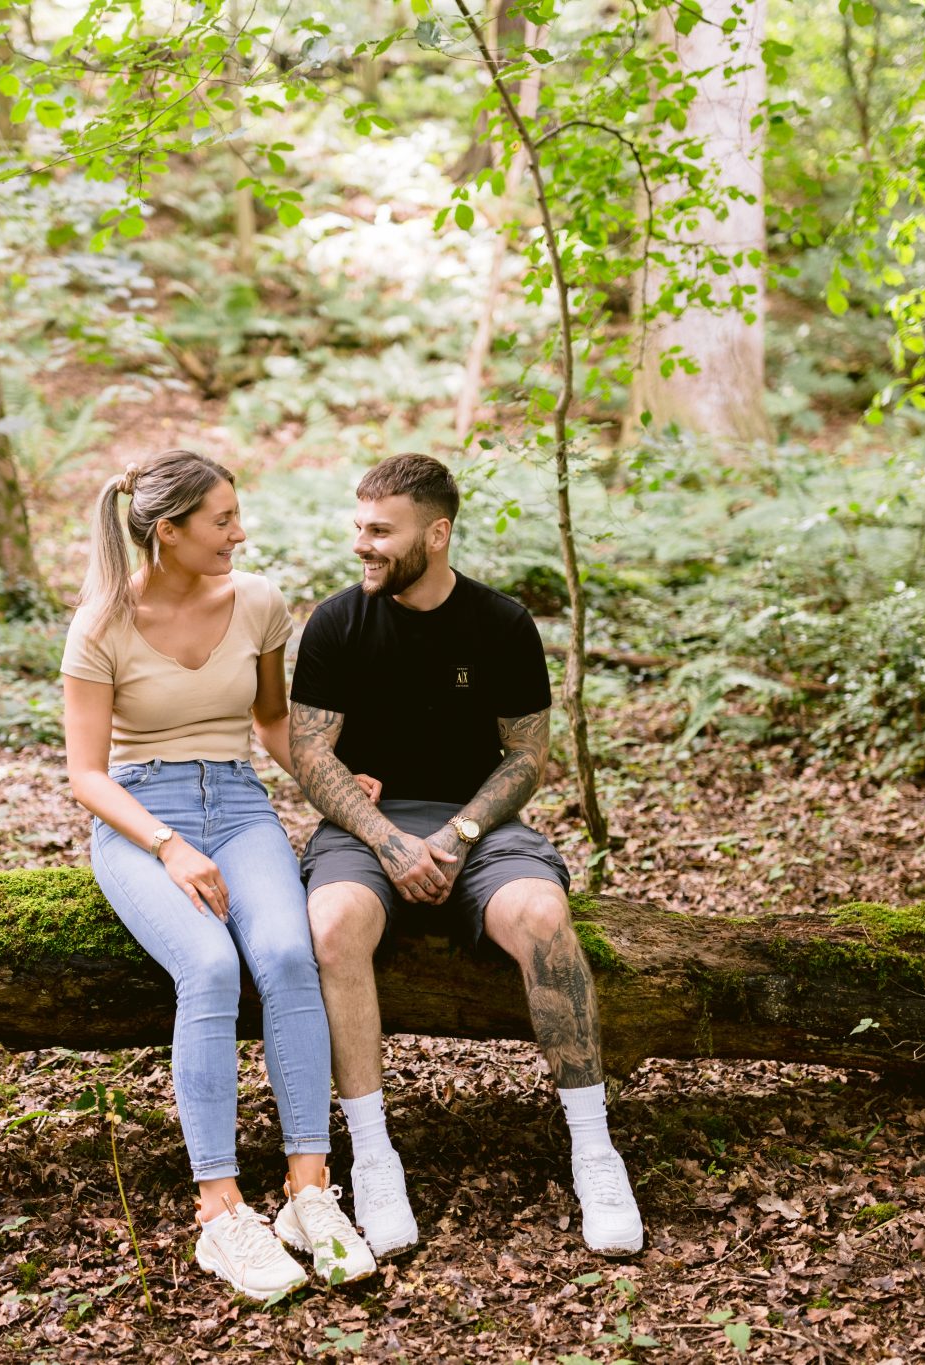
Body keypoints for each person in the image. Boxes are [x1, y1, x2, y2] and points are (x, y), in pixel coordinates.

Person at [289, 453, 645, 1258]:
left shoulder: (502, 624)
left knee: (546, 916)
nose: (362, 544)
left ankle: (594, 1148)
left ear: (437, 533)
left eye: (381, 530)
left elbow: (526, 756)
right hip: (367, 828)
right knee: (332, 922)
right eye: (359, 527)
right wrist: (387, 839)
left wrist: (457, 836)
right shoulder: (338, 621)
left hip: (480, 829)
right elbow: (311, 754)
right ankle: (374, 1158)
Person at [61, 450, 376, 1301]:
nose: (240, 532)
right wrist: (166, 842)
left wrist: (338, 784)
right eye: (222, 520)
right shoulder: (100, 622)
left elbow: (274, 724)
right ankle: (219, 1209)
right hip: (138, 815)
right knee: (208, 966)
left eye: (238, 515)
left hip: (239, 805)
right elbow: (86, 774)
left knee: (284, 955)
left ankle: (309, 1191)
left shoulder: (260, 602)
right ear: (167, 531)